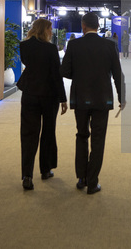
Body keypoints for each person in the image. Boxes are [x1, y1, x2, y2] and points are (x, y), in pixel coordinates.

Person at [60, 13, 125, 195]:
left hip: (80, 98)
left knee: (81, 135)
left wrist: (80, 74)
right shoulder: (109, 45)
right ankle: (93, 182)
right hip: (102, 99)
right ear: (98, 26)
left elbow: (64, 71)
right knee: (98, 139)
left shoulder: (73, 45)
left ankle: (81, 177)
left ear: (83, 26)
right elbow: (118, 73)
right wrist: (122, 97)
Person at [17, 18, 68, 191]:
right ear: (44, 29)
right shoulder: (50, 48)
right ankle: (46, 170)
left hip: (30, 93)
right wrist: (63, 98)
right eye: (50, 29)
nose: (52, 32)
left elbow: (29, 66)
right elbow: (56, 74)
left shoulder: (24, 46)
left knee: (28, 135)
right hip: (49, 95)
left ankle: (27, 175)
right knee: (47, 132)